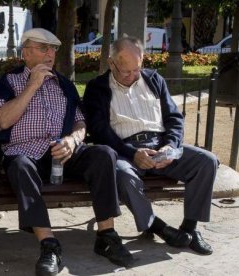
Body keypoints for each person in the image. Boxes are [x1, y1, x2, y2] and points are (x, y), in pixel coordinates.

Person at [0, 28, 134, 276]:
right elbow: (3, 121)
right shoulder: (10, 82)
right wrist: (33, 85)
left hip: (62, 152)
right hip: (25, 152)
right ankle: (49, 245)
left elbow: (81, 122)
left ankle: (106, 236)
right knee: (20, 166)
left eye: (54, 49)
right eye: (43, 48)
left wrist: (72, 139)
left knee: (104, 155)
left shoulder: (65, 85)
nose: (50, 54)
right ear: (26, 53)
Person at [83, 36, 218, 256]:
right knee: (121, 176)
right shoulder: (97, 88)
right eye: (126, 71)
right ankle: (159, 227)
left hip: (160, 147)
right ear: (111, 63)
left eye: (137, 69)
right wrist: (132, 153)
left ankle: (189, 229)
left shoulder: (154, 80)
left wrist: (169, 146)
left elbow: (174, 118)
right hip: (124, 151)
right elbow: (99, 131)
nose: (132, 75)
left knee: (207, 162)